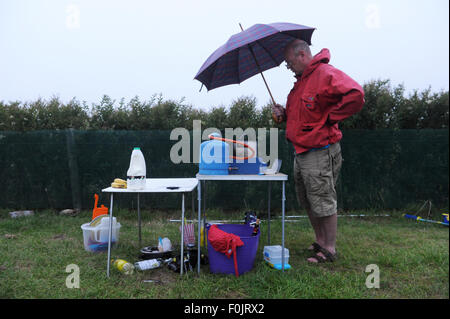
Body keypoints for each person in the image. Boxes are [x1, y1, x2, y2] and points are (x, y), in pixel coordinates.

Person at [272, 39, 364, 263]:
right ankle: (320, 241)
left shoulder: (324, 73)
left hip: (320, 150)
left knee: (323, 198)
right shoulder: (301, 83)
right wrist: (282, 114)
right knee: (308, 199)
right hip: (301, 151)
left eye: (289, 62)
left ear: (302, 55)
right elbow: (303, 115)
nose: (289, 67)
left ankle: (330, 249)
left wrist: (331, 117)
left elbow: (356, 94)